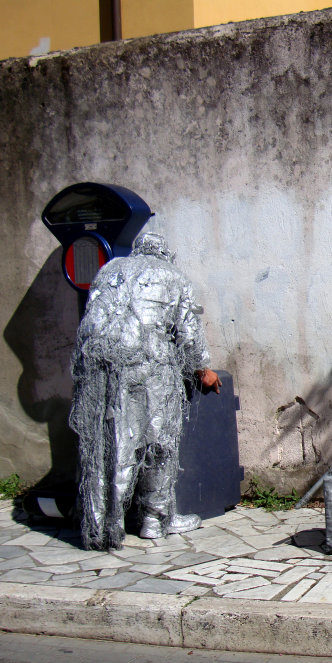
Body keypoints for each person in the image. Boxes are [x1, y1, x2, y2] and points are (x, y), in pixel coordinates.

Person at [69, 232, 220, 550]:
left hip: (102, 368)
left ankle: (102, 525)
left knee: (109, 444)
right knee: (159, 443)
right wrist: (203, 369)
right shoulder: (174, 276)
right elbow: (188, 332)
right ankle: (155, 520)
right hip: (152, 366)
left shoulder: (109, 270)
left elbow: (93, 319)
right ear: (165, 253)